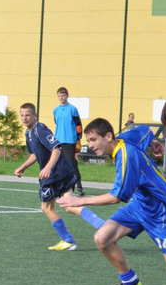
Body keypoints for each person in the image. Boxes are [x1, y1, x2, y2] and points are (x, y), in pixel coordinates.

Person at [57, 119, 166, 285]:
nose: (91, 145)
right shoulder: (124, 138)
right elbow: (145, 131)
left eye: (94, 139)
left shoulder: (126, 155)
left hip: (163, 212)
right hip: (140, 205)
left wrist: (79, 201)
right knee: (103, 238)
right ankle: (130, 282)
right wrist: (152, 143)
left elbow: (116, 197)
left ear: (108, 136)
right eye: (89, 141)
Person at [15, 103, 104, 251]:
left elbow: (56, 148)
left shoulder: (39, 129)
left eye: (28, 115)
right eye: (22, 115)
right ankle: (103, 226)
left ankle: (67, 240)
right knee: (69, 205)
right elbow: (35, 154)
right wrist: (23, 167)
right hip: (62, 171)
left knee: (46, 206)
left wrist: (48, 167)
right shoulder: (28, 133)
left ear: (35, 115)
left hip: (55, 174)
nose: (25, 118)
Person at [53, 87, 85, 196]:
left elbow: (78, 124)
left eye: (63, 95)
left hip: (70, 140)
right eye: (59, 96)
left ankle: (78, 185)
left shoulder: (72, 109)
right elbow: (57, 123)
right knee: (59, 164)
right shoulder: (55, 110)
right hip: (58, 140)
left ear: (67, 96)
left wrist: (78, 138)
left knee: (72, 163)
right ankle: (63, 185)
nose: (61, 98)